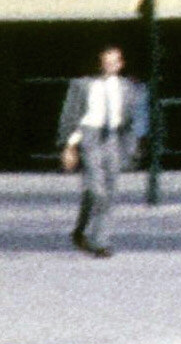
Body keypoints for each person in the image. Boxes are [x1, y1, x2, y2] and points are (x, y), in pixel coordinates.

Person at [60, 45, 146, 255]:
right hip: (89, 136)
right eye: (106, 61)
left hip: (114, 138)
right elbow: (70, 116)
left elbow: (133, 118)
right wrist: (69, 147)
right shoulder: (82, 85)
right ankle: (91, 237)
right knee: (98, 191)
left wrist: (135, 144)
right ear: (99, 63)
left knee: (109, 191)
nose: (110, 65)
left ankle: (92, 237)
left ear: (121, 64)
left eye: (114, 61)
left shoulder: (128, 87)